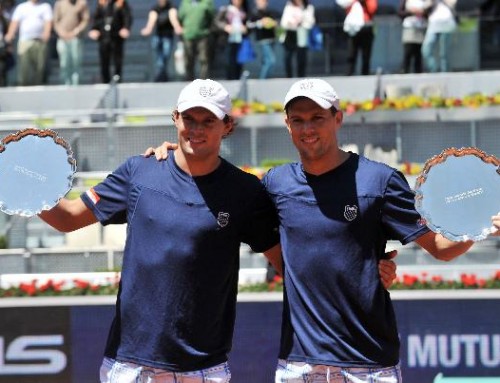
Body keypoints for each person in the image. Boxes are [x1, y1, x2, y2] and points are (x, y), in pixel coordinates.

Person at [263, 78, 500, 382]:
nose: (307, 129)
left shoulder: (379, 181)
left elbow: (440, 247)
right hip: (300, 365)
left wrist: (481, 226)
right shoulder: (276, 184)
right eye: (298, 120)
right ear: (287, 124)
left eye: (317, 118)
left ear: (338, 118)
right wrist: (180, 157)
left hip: (369, 363)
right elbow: (233, 214)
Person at [4, 0, 53, 86]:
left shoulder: (45, 7)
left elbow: (48, 23)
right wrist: (9, 36)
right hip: (25, 42)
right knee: (24, 69)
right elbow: (14, 23)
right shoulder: (21, 7)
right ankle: (23, 89)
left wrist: (46, 34)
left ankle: (39, 90)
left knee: (39, 69)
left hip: (39, 42)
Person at [88, 0, 132, 83]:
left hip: (116, 36)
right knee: (104, 61)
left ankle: (117, 79)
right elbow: (96, 18)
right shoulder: (101, 3)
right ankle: (105, 80)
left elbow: (127, 16)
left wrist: (126, 28)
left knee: (117, 61)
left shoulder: (120, 2)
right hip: (104, 37)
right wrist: (94, 29)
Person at [140, 0, 182, 82]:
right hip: (158, 36)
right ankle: (161, 75)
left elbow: (173, 19)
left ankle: (162, 74)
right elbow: (151, 20)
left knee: (165, 55)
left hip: (168, 36)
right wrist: (148, 29)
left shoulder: (171, 8)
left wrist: (177, 27)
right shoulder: (155, 9)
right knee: (159, 58)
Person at [53, 0, 90, 86]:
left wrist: (76, 31)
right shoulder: (59, 4)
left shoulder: (81, 3)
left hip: (76, 38)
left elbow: (85, 20)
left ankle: (76, 85)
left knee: (76, 62)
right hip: (63, 38)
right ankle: (65, 84)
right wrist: (61, 33)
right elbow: (55, 21)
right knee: (64, 63)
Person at [177, 0, 215, 81]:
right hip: (188, 35)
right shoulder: (185, 2)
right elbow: (180, 17)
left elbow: (212, 16)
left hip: (203, 35)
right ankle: (189, 79)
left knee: (203, 58)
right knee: (189, 59)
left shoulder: (206, 2)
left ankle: (203, 80)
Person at [338, 0, 378, 76]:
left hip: (366, 27)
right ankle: (349, 72)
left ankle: (365, 73)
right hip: (353, 28)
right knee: (351, 52)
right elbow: (344, 6)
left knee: (366, 54)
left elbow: (372, 9)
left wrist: (363, 2)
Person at [214, 0, 249, 80]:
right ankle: (230, 79)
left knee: (239, 62)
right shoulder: (226, 9)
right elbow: (217, 21)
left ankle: (237, 79)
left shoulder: (243, 11)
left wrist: (246, 28)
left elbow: (248, 24)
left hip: (240, 39)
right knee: (229, 61)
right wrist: (225, 27)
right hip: (228, 39)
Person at [280, 0, 315, 78]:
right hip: (290, 35)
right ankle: (289, 76)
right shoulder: (289, 7)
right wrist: (292, 23)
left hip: (302, 34)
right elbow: (284, 23)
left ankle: (301, 76)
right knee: (288, 57)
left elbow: (311, 22)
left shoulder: (308, 7)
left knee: (301, 57)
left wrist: (301, 21)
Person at [421, 0, 457, 73]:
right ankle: (433, 70)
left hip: (447, 23)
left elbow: (454, 3)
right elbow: (424, 7)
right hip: (433, 24)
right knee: (426, 50)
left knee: (444, 53)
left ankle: (445, 74)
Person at [398, 0, 432, 73]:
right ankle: (405, 72)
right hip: (409, 28)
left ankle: (418, 73)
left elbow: (428, 12)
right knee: (408, 52)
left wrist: (422, 11)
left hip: (421, 28)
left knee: (418, 54)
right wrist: (412, 12)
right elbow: (400, 13)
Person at [247, 0, 277, 79]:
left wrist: (273, 23)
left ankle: (267, 79)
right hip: (262, 40)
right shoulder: (254, 13)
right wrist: (260, 23)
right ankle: (262, 79)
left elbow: (276, 22)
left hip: (271, 39)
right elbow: (249, 25)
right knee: (271, 60)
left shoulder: (270, 12)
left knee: (266, 61)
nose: (262, 3)